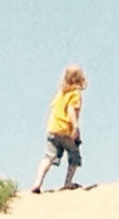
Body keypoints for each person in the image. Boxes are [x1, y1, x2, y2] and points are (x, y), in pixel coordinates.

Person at [30, 64, 87, 194]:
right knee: (74, 155)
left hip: (53, 129)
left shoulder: (60, 93)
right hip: (66, 130)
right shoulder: (75, 94)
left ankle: (37, 183)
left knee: (48, 157)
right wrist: (76, 127)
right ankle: (68, 182)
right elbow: (71, 110)